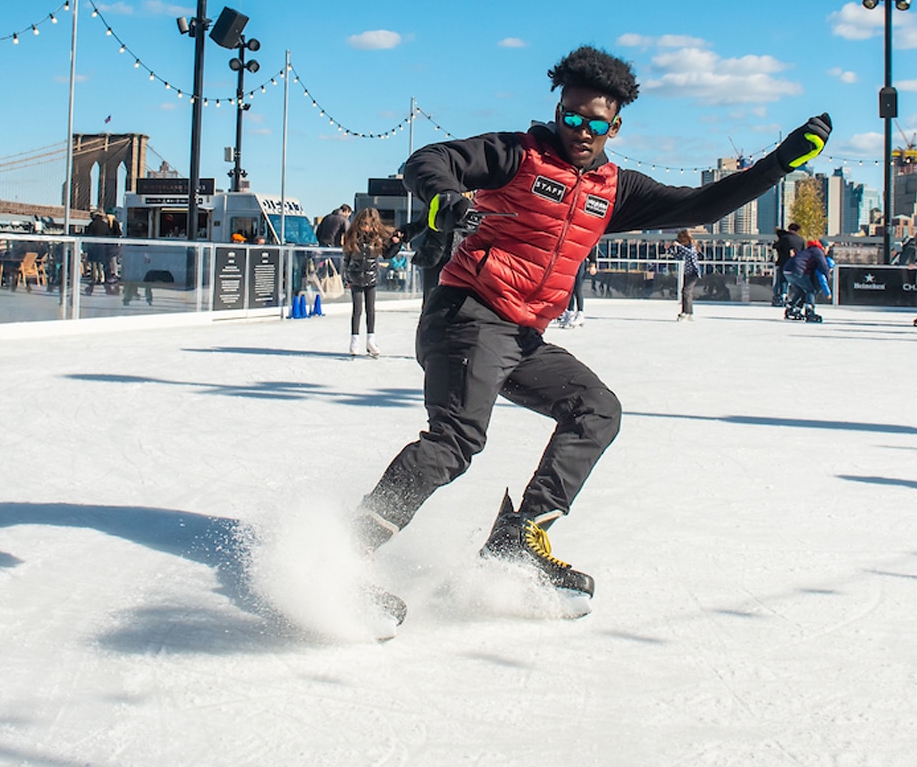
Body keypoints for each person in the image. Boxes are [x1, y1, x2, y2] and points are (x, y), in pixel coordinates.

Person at [352, 45, 833, 601]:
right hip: (469, 314)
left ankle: (518, 537)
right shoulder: (516, 154)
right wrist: (446, 201)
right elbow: (429, 160)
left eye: (593, 123)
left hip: (524, 335)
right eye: (570, 117)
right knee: (457, 440)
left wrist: (779, 163)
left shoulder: (615, 189)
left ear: (615, 125)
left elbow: (700, 205)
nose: (579, 130)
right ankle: (345, 550)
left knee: (597, 410)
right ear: (558, 111)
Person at [340, 207, 410, 357]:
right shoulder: (352, 237)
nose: (366, 227)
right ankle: (354, 340)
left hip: (371, 278)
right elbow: (346, 259)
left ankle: (371, 340)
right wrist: (346, 278)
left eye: (370, 224)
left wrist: (396, 243)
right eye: (364, 224)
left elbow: (388, 254)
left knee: (370, 310)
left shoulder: (377, 239)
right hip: (356, 277)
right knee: (357, 310)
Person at [783, 239, 831, 323]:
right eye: (827, 248)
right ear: (823, 247)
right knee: (810, 290)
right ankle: (810, 311)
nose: (828, 250)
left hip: (787, 270)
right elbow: (824, 266)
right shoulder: (817, 251)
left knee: (800, 290)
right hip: (797, 271)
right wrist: (827, 277)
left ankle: (791, 308)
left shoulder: (809, 250)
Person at [557, 247, 597, 328]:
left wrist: (593, 264)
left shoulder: (585, 238)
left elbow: (591, 249)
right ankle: (570, 312)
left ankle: (580, 313)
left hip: (580, 262)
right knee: (570, 288)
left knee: (577, 289)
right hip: (569, 262)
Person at [670, 230, 701, 321]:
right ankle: (688, 312)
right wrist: (670, 249)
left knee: (686, 291)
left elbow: (690, 253)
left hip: (693, 273)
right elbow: (678, 256)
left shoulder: (692, 246)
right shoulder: (685, 247)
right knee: (686, 292)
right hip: (687, 273)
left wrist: (679, 246)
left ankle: (687, 312)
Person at [771, 223, 804, 307]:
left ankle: (781, 296)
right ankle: (794, 299)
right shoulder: (801, 240)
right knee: (795, 283)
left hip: (784, 263)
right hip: (797, 265)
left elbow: (775, 246)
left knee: (782, 281)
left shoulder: (785, 238)